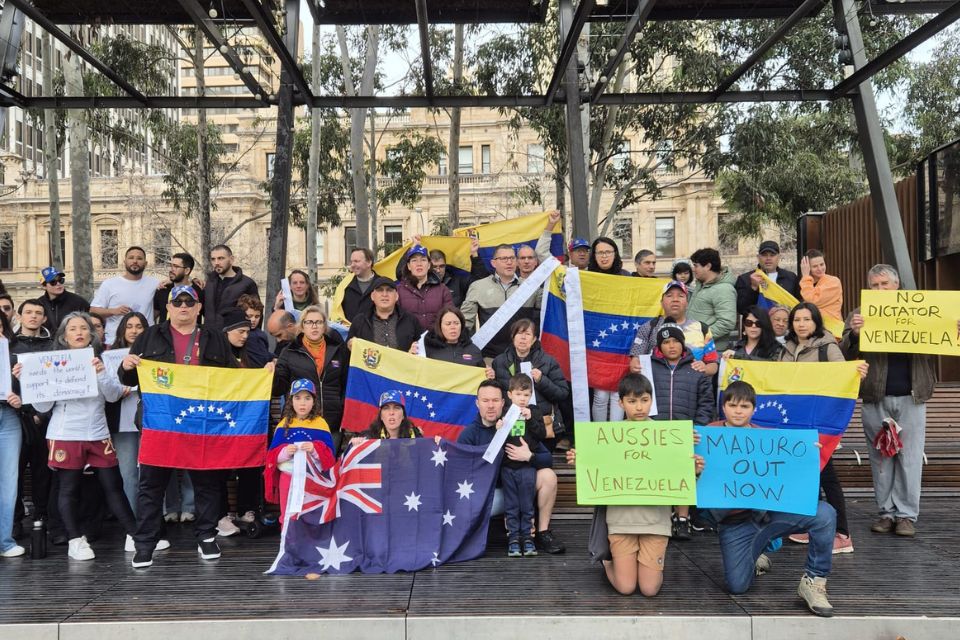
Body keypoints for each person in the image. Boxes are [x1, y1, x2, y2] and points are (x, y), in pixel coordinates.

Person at [119, 284, 238, 568]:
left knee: (207, 484)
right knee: (151, 485)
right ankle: (145, 543)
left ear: (198, 308)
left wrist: (264, 374)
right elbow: (128, 381)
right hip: (159, 423)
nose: (183, 306)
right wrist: (125, 366)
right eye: (177, 302)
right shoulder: (149, 336)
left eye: (190, 302)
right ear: (168, 308)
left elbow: (233, 379)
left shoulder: (214, 338)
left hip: (202, 420)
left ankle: (206, 536)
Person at [703, 380, 839, 617]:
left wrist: (807, 455)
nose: (738, 411)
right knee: (737, 587)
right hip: (734, 523)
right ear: (723, 406)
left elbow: (789, 473)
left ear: (753, 409)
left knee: (825, 514)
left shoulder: (768, 439)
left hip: (768, 515)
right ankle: (755, 553)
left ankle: (814, 580)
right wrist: (694, 466)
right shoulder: (707, 435)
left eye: (744, 406)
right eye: (732, 405)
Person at [17, 313, 143, 561]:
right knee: (68, 489)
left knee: (113, 486)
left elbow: (111, 395)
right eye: (72, 328)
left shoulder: (99, 361)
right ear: (64, 336)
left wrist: (100, 373)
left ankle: (134, 535)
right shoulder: (49, 364)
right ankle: (75, 540)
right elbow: (43, 408)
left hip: (97, 433)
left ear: (91, 334)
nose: (79, 332)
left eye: (84, 328)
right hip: (65, 434)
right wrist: (27, 380)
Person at [566, 374, 705, 596]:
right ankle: (607, 563)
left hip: (656, 521)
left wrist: (693, 471)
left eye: (644, 400)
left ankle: (651, 565)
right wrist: (579, 461)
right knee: (626, 587)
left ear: (651, 400)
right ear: (620, 403)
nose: (639, 407)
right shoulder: (607, 438)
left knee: (649, 589)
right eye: (632, 401)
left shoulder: (669, 437)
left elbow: (679, 481)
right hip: (620, 521)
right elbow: (596, 475)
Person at [840, 264, 945, 538]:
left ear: (896, 286)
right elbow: (843, 353)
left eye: (884, 284)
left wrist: (952, 327)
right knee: (881, 458)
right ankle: (886, 513)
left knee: (909, 459)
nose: (879, 289)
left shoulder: (919, 311)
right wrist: (854, 335)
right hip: (876, 397)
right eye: (874, 285)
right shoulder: (859, 315)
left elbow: (945, 342)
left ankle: (906, 516)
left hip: (912, 396)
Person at [780, 302, 868, 554]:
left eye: (807, 319)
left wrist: (856, 371)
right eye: (797, 319)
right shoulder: (785, 349)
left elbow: (843, 373)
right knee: (809, 474)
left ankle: (842, 533)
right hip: (795, 421)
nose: (802, 324)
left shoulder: (827, 346)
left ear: (816, 322)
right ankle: (813, 526)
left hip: (819, 423)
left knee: (826, 474)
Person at [458, 380, 566, 554]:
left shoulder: (519, 425)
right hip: (490, 494)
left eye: (495, 400)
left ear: (503, 402)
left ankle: (542, 532)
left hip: (520, 485)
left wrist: (528, 456)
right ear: (477, 403)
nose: (491, 406)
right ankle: (488, 532)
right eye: (485, 401)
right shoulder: (470, 434)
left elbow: (547, 459)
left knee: (548, 476)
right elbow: (460, 472)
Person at [647, 323, 714, 540]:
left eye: (675, 341)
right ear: (659, 346)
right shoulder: (649, 368)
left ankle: (683, 519)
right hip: (657, 431)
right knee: (660, 473)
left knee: (685, 472)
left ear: (682, 343)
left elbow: (706, 402)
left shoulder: (696, 368)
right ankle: (664, 516)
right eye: (666, 342)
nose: (671, 345)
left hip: (686, 431)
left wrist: (698, 427)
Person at [264, 379, 335, 526]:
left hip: (312, 479)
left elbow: (329, 456)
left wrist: (315, 449)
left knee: (310, 513)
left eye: (307, 398)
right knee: (287, 513)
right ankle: (287, 545)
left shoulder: (321, 424)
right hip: (288, 478)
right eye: (298, 398)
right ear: (291, 401)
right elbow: (272, 456)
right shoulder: (284, 424)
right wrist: (284, 452)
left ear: (314, 401)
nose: (302, 403)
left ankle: (308, 546)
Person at [11, 300, 55, 539]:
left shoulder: (52, 346)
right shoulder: (8, 346)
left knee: (43, 471)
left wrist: (43, 414)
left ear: (44, 319)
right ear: (19, 316)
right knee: (14, 472)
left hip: (45, 419)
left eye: (39, 313)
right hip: (16, 417)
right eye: (28, 312)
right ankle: (15, 519)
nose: (33, 316)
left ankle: (42, 516)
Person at [273, 307, 348, 441]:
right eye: (309, 322)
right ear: (302, 326)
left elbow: (346, 385)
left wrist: (341, 411)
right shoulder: (289, 351)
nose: (314, 326)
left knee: (328, 461)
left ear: (324, 326)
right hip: (298, 423)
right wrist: (271, 372)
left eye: (318, 322)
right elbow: (278, 388)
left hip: (332, 423)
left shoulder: (338, 350)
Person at [491, 319, 569, 442]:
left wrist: (542, 380)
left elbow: (563, 393)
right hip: (509, 425)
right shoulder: (499, 362)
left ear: (534, 339)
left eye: (527, 334)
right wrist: (490, 379)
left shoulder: (548, 362)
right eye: (519, 333)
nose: (523, 338)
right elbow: (495, 393)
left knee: (542, 458)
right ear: (513, 337)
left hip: (541, 425)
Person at [462, 244, 542, 362]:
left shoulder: (531, 287)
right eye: (504, 259)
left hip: (524, 356)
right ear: (493, 263)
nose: (509, 262)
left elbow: (550, 313)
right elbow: (465, 322)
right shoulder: (478, 287)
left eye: (512, 258)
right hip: (489, 357)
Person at [629, 281, 719, 376]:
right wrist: (635, 365)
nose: (675, 299)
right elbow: (636, 359)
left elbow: (713, 364)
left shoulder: (702, 329)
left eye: (680, 296)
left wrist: (704, 368)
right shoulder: (649, 327)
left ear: (687, 303)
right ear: (661, 302)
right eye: (669, 295)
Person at [106, 312, 149, 514]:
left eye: (139, 326)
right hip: (121, 422)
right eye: (129, 326)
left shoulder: (153, 352)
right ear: (122, 329)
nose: (133, 330)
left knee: (150, 472)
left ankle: (155, 513)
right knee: (128, 472)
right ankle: (132, 514)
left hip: (148, 420)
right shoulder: (110, 355)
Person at [501, 374, 546, 558]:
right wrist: (499, 426)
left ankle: (528, 537)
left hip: (527, 467)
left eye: (526, 395)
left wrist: (531, 419)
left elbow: (542, 434)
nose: (522, 399)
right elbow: (496, 438)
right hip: (507, 467)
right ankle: (513, 537)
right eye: (519, 394)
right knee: (511, 504)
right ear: (510, 394)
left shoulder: (534, 411)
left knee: (527, 504)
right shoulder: (504, 412)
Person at [91, 246, 160, 344]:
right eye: (131, 258)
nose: (135, 261)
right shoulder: (109, 284)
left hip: (145, 341)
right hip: (114, 341)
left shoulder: (154, 284)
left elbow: (158, 308)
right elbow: (93, 310)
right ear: (124, 262)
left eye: (139, 258)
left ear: (145, 263)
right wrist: (113, 311)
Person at [0, 312, 25, 558]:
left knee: (9, 482)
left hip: (8, 415)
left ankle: (5, 541)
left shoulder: (15, 353)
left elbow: (34, 394)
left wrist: (19, 392)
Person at [347, 279, 422, 353]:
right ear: (372, 296)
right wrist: (349, 345)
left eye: (389, 290)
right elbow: (347, 352)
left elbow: (421, 348)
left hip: (403, 364)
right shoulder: (360, 321)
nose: (384, 294)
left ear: (396, 296)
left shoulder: (410, 320)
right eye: (380, 290)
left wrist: (416, 351)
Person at [688, 248, 737, 352]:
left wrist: (700, 337)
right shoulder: (701, 285)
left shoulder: (724, 289)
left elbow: (727, 322)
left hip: (710, 351)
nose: (693, 269)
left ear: (708, 266)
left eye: (696, 265)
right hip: (696, 348)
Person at [734, 240, 800, 316]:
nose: (768, 258)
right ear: (758, 257)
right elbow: (741, 309)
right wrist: (753, 288)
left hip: (783, 325)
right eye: (764, 255)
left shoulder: (791, 277)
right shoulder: (744, 279)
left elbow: (797, 306)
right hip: (756, 326)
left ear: (779, 257)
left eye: (772, 255)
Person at [396, 245, 453, 331]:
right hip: (408, 343)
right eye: (414, 260)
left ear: (429, 265)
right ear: (408, 266)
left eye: (423, 260)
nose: (419, 264)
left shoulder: (442, 290)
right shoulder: (398, 291)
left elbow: (450, 317)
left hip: (436, 341)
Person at [203, 244, 260, 330]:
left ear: (231, 259)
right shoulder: (209, 283)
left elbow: (257, 312)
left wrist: (253, 336)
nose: (216, 263)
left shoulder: (247, 284)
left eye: (221, 258)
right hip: (210, 337)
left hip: (235, 338)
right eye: (213, 259)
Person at [413, 305, 485, 367]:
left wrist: (489, 374)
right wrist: (411, 355)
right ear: (440, 326)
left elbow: (484, 378)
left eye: (456, 323)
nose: (453, 327)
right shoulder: (426, 349)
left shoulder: (473, 350)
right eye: (448, 324)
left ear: (462, 325)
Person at [37, 266, 90, 335]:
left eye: (61, 280)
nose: (58, 284)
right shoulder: (39, 304)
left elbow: (89, 325)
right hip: (46, 344)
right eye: (53, 282)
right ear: (44, 286)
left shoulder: (79, 302)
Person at [154, 252, 201, 324]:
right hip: (164, 334)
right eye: (171, 266)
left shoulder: (199, 291)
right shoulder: (163, 289)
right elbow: (153, 315)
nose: (171, 269)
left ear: (187, 271)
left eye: (176, 266)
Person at [799, 249, 843, 325]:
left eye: (822, 264)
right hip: (811, 328)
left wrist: (806, 276)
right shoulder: (804, 283)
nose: (820, 269)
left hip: (831, 330)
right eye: (815, 266)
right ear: (807, 267)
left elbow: (812, 302)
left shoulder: (834, 282)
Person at [357, 390, 423, 440]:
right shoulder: (368, 437)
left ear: (403, 415)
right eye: (386, 408)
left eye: (396, 408)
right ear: (381, 416)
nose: (391, 412)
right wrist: (354, 445)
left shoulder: (415, 436)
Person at [340, 248, 378, 322]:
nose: (352, 265)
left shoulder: (383, 285)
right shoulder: (344, 287)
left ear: (369, 262)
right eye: (351, 262)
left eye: (356, 261)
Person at [236, 294, 273, 368]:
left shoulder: (262, 334)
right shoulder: (235, 333)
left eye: (257, 316)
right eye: (249, 316)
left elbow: (263, 354)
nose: (253, 320)